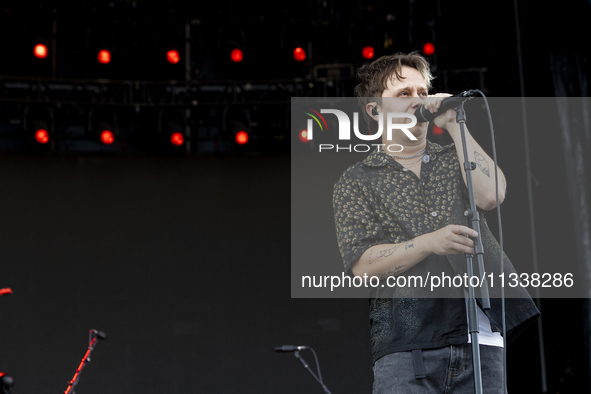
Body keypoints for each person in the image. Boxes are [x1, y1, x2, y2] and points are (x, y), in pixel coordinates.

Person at [332, 52, 539, 393]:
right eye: (403, 94)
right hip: (405, 343)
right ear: (374, 109)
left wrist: (455, 126)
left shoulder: (454, 159)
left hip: (480, 338)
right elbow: (362, 267)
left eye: (421, 92)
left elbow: (493, 195)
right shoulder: (356, 181)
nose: (418, 101)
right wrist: (429, 242)